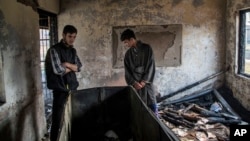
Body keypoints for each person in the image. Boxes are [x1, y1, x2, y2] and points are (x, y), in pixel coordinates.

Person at [45, 25, 82, 141]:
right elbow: (58, 70)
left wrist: (66, 64)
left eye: (74, 37)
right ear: (63, 35)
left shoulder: (73, 50)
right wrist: (72, 67)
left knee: (73, 115)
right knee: (57, 119)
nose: (72, 39)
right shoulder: (54, 50)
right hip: (60, 89)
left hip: (72, 87)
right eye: (70, 36)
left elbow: (79, 67)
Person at [120, 28, 158, 116]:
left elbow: (151, 66)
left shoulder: (147, 49)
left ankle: (154, 128)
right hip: (136, 86)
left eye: (126, 42)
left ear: (132, 39)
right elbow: (127, 72)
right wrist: (134, 83)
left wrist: (144, 81)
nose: (126, 44)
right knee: (138, 110)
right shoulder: (128, 54)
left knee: (152, 108)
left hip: (147, 85)